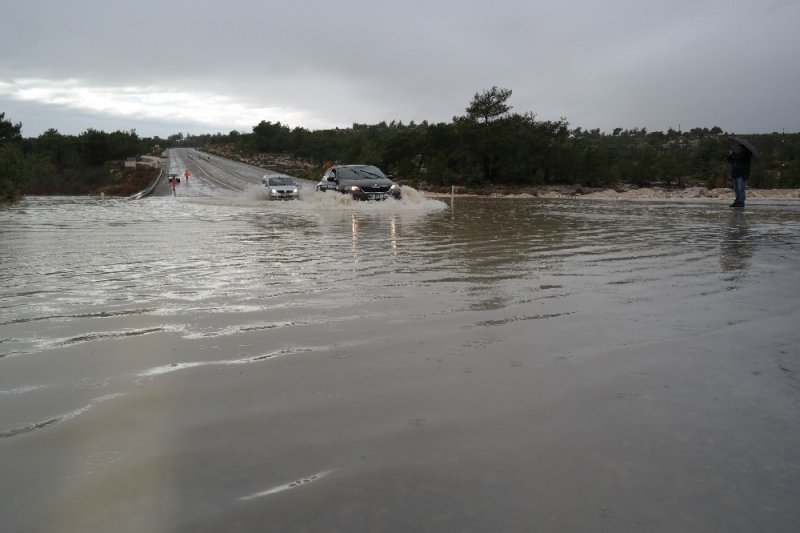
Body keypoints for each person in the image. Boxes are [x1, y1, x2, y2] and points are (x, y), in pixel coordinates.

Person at [727, 140, 753, 208]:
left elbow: (740, 158)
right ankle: (737, 201)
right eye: (738, 146)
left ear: (742, 147)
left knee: (740, 188)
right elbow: (731, 161)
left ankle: (741, 202)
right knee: (736, 189)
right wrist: (730, 155)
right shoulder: (736, 154)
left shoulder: (746, 154)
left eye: (739, 146)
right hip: (735, 174)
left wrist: (734, 154)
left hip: (742, 174)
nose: (738, 147)